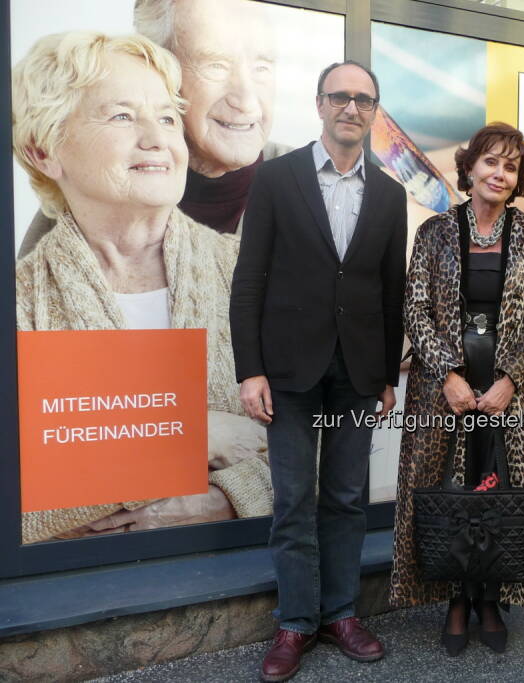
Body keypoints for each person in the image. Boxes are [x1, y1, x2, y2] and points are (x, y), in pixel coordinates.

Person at [11, 31, 272, 544]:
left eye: (168, 118)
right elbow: (16, 493)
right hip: (87, 591)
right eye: (122, 116)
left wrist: (230, 498)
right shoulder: (20, 303)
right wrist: (191, 435)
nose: (158, 139)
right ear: (45, 151)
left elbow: (321, 449)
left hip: (248, 580)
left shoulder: (248, 273)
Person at [229, 61, 407, 681]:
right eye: (340, 97)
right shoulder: (277, 178)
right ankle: (296, 622)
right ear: (320, 103)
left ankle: (341, 614)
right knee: (294, 499)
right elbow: (249, 278)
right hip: (288, 370)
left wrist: (386, 375)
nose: (351, 108)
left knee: (347, 497)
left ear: (374, 112)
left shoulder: (389, 194)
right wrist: (250, 370)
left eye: (363, 99)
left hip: (357, 372)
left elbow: (391, 290)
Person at [389, 123, 524, 656]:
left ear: (518, 179)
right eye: (491, 162)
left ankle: (490, 597)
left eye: (511, 166)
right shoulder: (434, 231)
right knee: (451, 493)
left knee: (499, 490)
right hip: (443, 395)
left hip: (508, 395)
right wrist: (448, 375)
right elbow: (415, 309)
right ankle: (457, 599)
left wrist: (511, 379)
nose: (499, 173)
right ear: (470, 168)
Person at [18, 0, 288, 257]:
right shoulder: (88, 195)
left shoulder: (308, 182)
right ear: (158, 68)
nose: (247, 102)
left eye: (262, 68)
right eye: (216, 66)